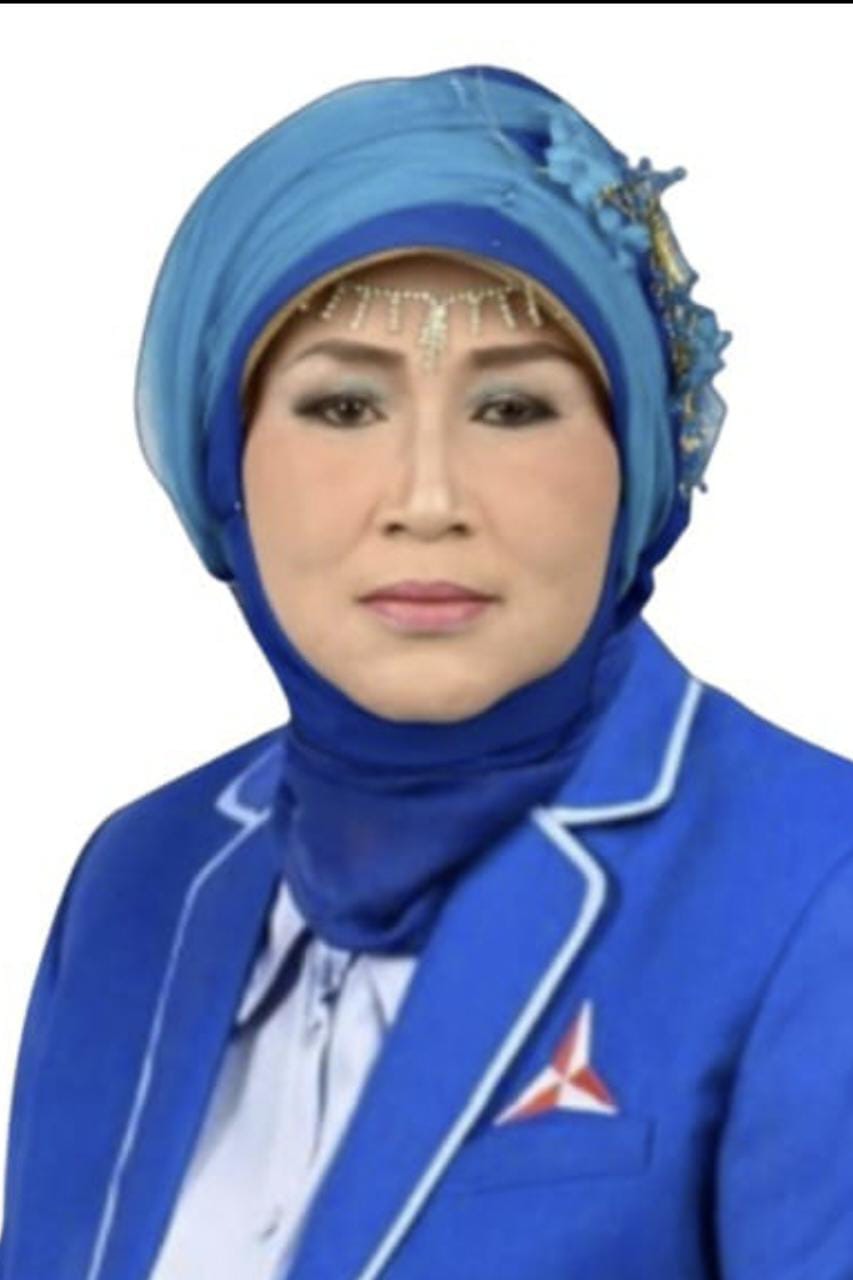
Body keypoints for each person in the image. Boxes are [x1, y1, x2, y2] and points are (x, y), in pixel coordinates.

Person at [1, 63, 852, 1280]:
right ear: (226, 466)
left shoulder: (816, 884)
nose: (429, 498)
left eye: (511, 409)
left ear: (634, 466)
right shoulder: (143, 871)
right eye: (344, 406)